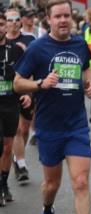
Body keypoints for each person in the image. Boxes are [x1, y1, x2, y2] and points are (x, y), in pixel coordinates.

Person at [13, 0, 91, 214]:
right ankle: (47, 210)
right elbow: (18, 82)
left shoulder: (80, 44)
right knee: (52, 184)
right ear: (48, 20)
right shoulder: (38, 49)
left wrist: (89, 84)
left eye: (67, 16)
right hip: (49, 127)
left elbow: (87, 68)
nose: (63, 20)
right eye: (58, 16)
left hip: (77, 126)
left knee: (81, 181)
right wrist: (40, 84)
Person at [0, 12, 31, 206]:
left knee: (7, 146)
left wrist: (27, 94)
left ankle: (3, 185)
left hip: (11, 103)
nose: (1, 27)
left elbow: (25, 77)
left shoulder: (17, 49)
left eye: (2, 24)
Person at [5, 9, 35, 182]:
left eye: (17, 19)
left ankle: (17, 157)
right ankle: (21, 164)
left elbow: (35, 62)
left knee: (24, 129)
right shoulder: (3, 41)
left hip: (25, 87)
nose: (14, 22)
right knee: (15, 129)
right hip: (8, 91)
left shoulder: (29, 40)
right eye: (11, 20)